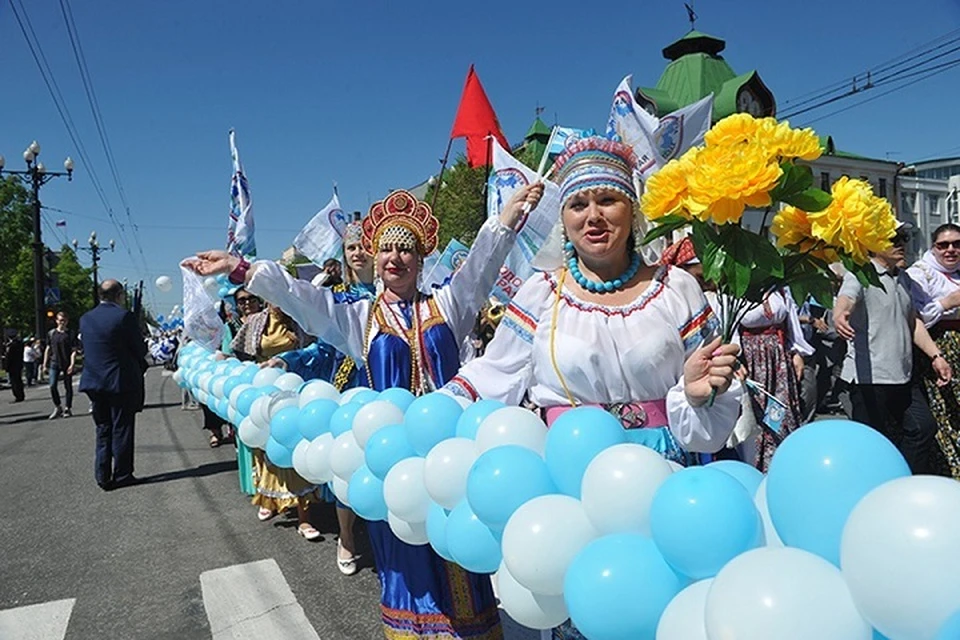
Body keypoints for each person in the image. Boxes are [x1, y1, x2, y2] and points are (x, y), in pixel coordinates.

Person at [187, 186, 535, 640]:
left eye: (406, 249)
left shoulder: (448, 305)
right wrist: (241, 269)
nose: (396, 258)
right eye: (387, 248)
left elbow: (481, 268)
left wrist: (506, 218)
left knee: (460, 551)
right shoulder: (359, 318)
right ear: (374, 256)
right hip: (394, 462)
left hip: (450, 452)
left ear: (421, 256)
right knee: (405, 550)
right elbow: (300, 299)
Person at [443, 138, 741, 640]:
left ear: (633, 209)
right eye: (578, 204)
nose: (593, 216)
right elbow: (494, 375)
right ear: (564, 219)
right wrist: (439, 406)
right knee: (585, 609)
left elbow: (718, 387)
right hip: (571, 480)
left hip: (661, 473)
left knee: (656, 607)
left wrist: (694, 394)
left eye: (608, 199)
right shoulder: (543, 293)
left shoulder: (676, 289)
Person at [262, 220, 375, 573]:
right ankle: (346, 536)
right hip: (348, 385)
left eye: (365, 246)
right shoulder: (338, 299)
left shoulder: (397, 293)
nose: (359, 253)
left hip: (391, 384)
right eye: (351, 248)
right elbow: (323, 349)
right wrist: (288, 358)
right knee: (347, 463)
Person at [834, 223, 951, 474]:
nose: (901, 243)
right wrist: (840, 313)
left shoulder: (903, 277)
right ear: (873, 244)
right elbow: (847, 297)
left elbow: (914, 322)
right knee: (872, 443)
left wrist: (936, 356)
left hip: (903, 376)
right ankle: (871, 490)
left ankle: (903, 480)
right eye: (893, 238)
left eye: (904, 237)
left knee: (923, 427)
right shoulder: (861, 274)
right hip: (870, 378)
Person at [231, 303, 321, 540]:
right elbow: (239, 351)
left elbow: (316, 350)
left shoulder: (299, 318)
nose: (277, 302)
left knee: (294, 447)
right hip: (263, 389)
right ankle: (270, 499)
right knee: (269, 452)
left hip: (295, 388)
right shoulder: (255, 321)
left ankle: (305, 518)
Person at [79, 280, 148, 490]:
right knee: (122, 428)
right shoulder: (123, 316)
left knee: (103, 428)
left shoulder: (85, 318)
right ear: (119, 295)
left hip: (93, 381)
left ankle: (102, 475)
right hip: (119, 381)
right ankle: (122, 473)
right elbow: (139, 348)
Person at [907, 222, 960, 479]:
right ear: (933, 247)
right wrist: (946, 303)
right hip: (938, 347)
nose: (951, 250)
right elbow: (913, 318)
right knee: (946, 413)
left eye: (957, 245)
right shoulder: (921, 273)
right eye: (943, 245)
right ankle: (947, 470)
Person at [44, 311, 78, 419]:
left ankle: (68, 408)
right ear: (56, 321)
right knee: (52, 385)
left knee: (68, 386)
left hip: (66, 362)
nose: (61, 323)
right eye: (59, 320)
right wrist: (44, 364)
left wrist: (72, 364)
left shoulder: (71, 333)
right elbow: (48, 349)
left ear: (67, 321)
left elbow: (73, 350)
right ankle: (58, 406)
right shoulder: (51, 333)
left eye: (64, 320)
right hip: (54, 362)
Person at [4, 333, 25, 403]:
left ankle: (17, 395)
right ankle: (21, 395)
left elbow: (8, 357)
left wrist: (6, 367)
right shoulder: (20, 344)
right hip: (19, 365)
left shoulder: (11, 346)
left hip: (12, 366)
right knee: (19, 380)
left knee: (14, 382)